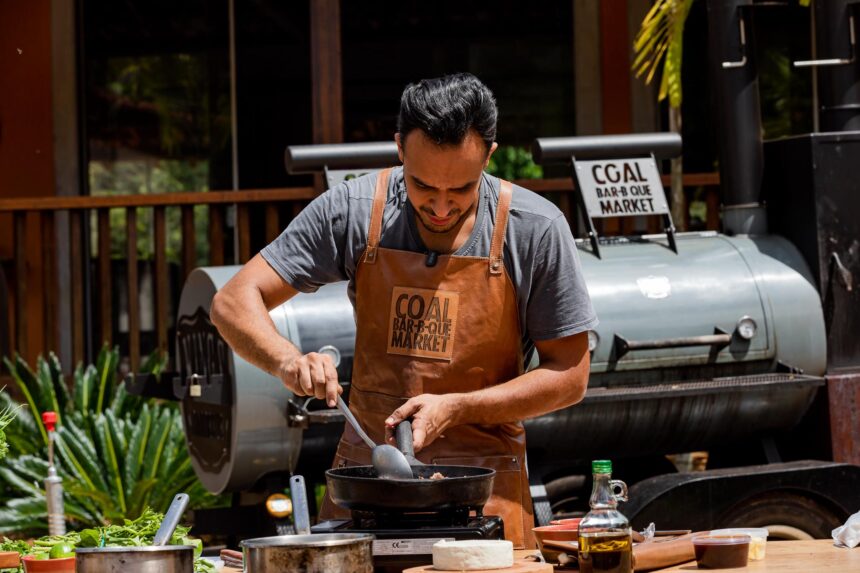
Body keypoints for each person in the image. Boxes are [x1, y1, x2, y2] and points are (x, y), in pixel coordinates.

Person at [210, 72, 596, 548]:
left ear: (489, 155)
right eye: (422, 185)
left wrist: (457, 408)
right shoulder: (352, 209)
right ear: (399, 147)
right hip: (367, 486)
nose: (439, 206)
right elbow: (232, 300)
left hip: (485, 493)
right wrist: (286, 359)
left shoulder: (534, 228)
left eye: (460, 189)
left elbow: (569, 376)